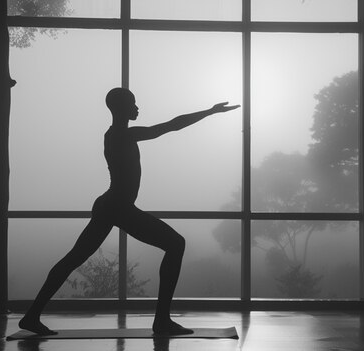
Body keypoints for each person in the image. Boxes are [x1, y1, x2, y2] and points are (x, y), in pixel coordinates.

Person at [19, 87, 240, 336]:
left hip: (111, 206)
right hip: (117, 207)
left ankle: (31, 316)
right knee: (176, 244)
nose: (137, 108)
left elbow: (168, 126)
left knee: (74, 259)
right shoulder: (122, 135)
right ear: (121, 108)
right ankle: (162, 321)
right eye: (133, 104)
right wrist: (210, 112)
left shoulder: (115, 134)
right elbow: (170, 126)